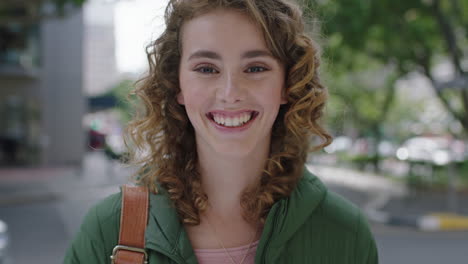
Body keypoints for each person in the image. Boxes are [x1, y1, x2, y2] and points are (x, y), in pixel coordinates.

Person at [64, 0, 378, 263]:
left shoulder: (345, 234)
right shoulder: (109, 230)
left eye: (255, 68)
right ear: (178, 87)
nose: (230, 93)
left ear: (287, 84)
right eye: (206, 69)